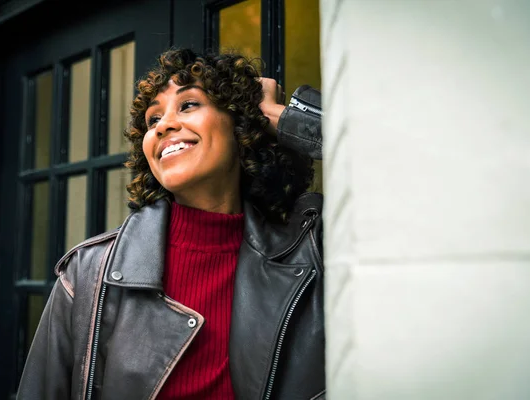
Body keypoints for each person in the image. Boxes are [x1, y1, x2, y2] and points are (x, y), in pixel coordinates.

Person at [17, 48, 324, 400]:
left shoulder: (312, 253)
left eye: (189, 104)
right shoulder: (87, 274)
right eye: (152, 120)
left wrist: (280, 117)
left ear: (242, 124)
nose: (163, 125)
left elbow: (395, 175)